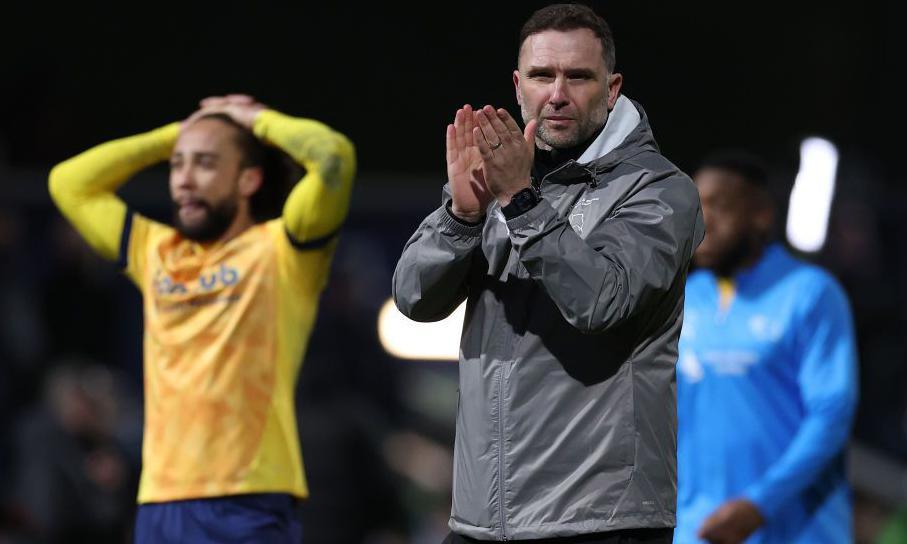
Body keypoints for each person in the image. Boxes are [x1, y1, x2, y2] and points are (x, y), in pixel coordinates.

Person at [393, 4, 704, 542]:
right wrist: (461, 217)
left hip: (599, 520)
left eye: (578, 76)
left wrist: (518, 201)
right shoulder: (500, 178)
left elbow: (601, 302)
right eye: (542, 75)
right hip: (482, 519)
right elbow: (413, 299)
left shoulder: (659, 190)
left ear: (611, 88)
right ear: (519, 85)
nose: (557, 93)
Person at [48, 94, 356, 543]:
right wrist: (182, 132)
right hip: (160, 500)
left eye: (206, 164)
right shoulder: (154, 251)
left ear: (248, 179)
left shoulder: (282, 252)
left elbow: (333, 157)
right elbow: (67, 181)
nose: (184, 181)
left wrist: (255, 120)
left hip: (248, 499)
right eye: (177, 166)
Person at [675, 151, 859, 544]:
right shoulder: (684, 300)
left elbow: (830, 416)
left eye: (719, 207)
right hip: (698, 529)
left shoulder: (809, 293)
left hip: (796, 531)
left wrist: (759, 503)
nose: (702, 222)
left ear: (760, 215)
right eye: (695, 206)